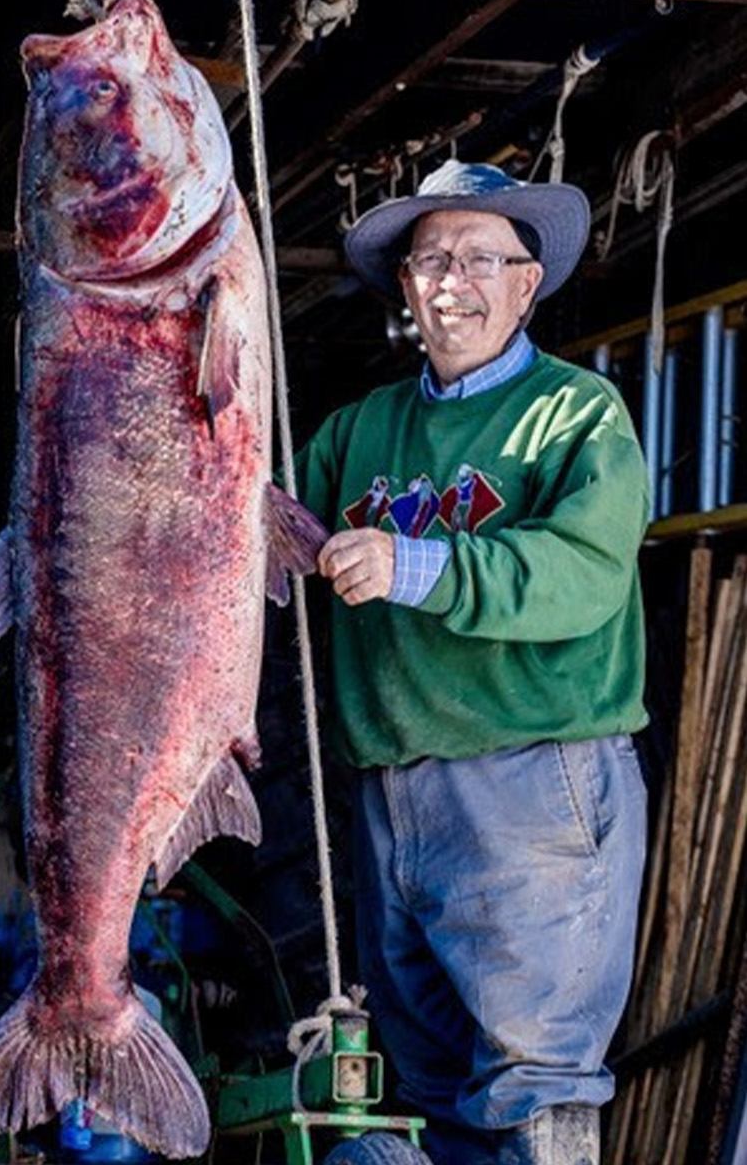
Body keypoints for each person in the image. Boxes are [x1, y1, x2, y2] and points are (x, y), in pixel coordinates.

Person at [297, 161, 650, 1165]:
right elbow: (259, 537)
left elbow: (581, 573)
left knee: (535, 1091)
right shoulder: (355, 432)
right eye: (430, 260)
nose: (452, 280)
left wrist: (416, 565)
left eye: (479, 259)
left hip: (535, 784)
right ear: (403, 288)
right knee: (429, 1093)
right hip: (393, 789)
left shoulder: (576, 415)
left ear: (525, 282)